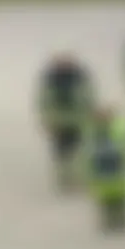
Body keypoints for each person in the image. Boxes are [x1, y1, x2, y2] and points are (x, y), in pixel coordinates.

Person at [39, 54, 95, 189]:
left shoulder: (80, 79)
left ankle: (77, 178)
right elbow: (44, 103)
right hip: (59, 123)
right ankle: (64, 180)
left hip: (77, 121)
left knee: (78, 151)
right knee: (61, 154)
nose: (64, 66)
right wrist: (47, 121)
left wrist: (90, 114)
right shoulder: (50, 82)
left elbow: (89, 97)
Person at [84, 106, 125, 232]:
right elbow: (87, 153)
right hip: (102, 169)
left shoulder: (118, 128)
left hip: (116, 166)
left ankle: (121, 219)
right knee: (106, 198)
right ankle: (110, 220)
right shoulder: (91, 132)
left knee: (120, 197)